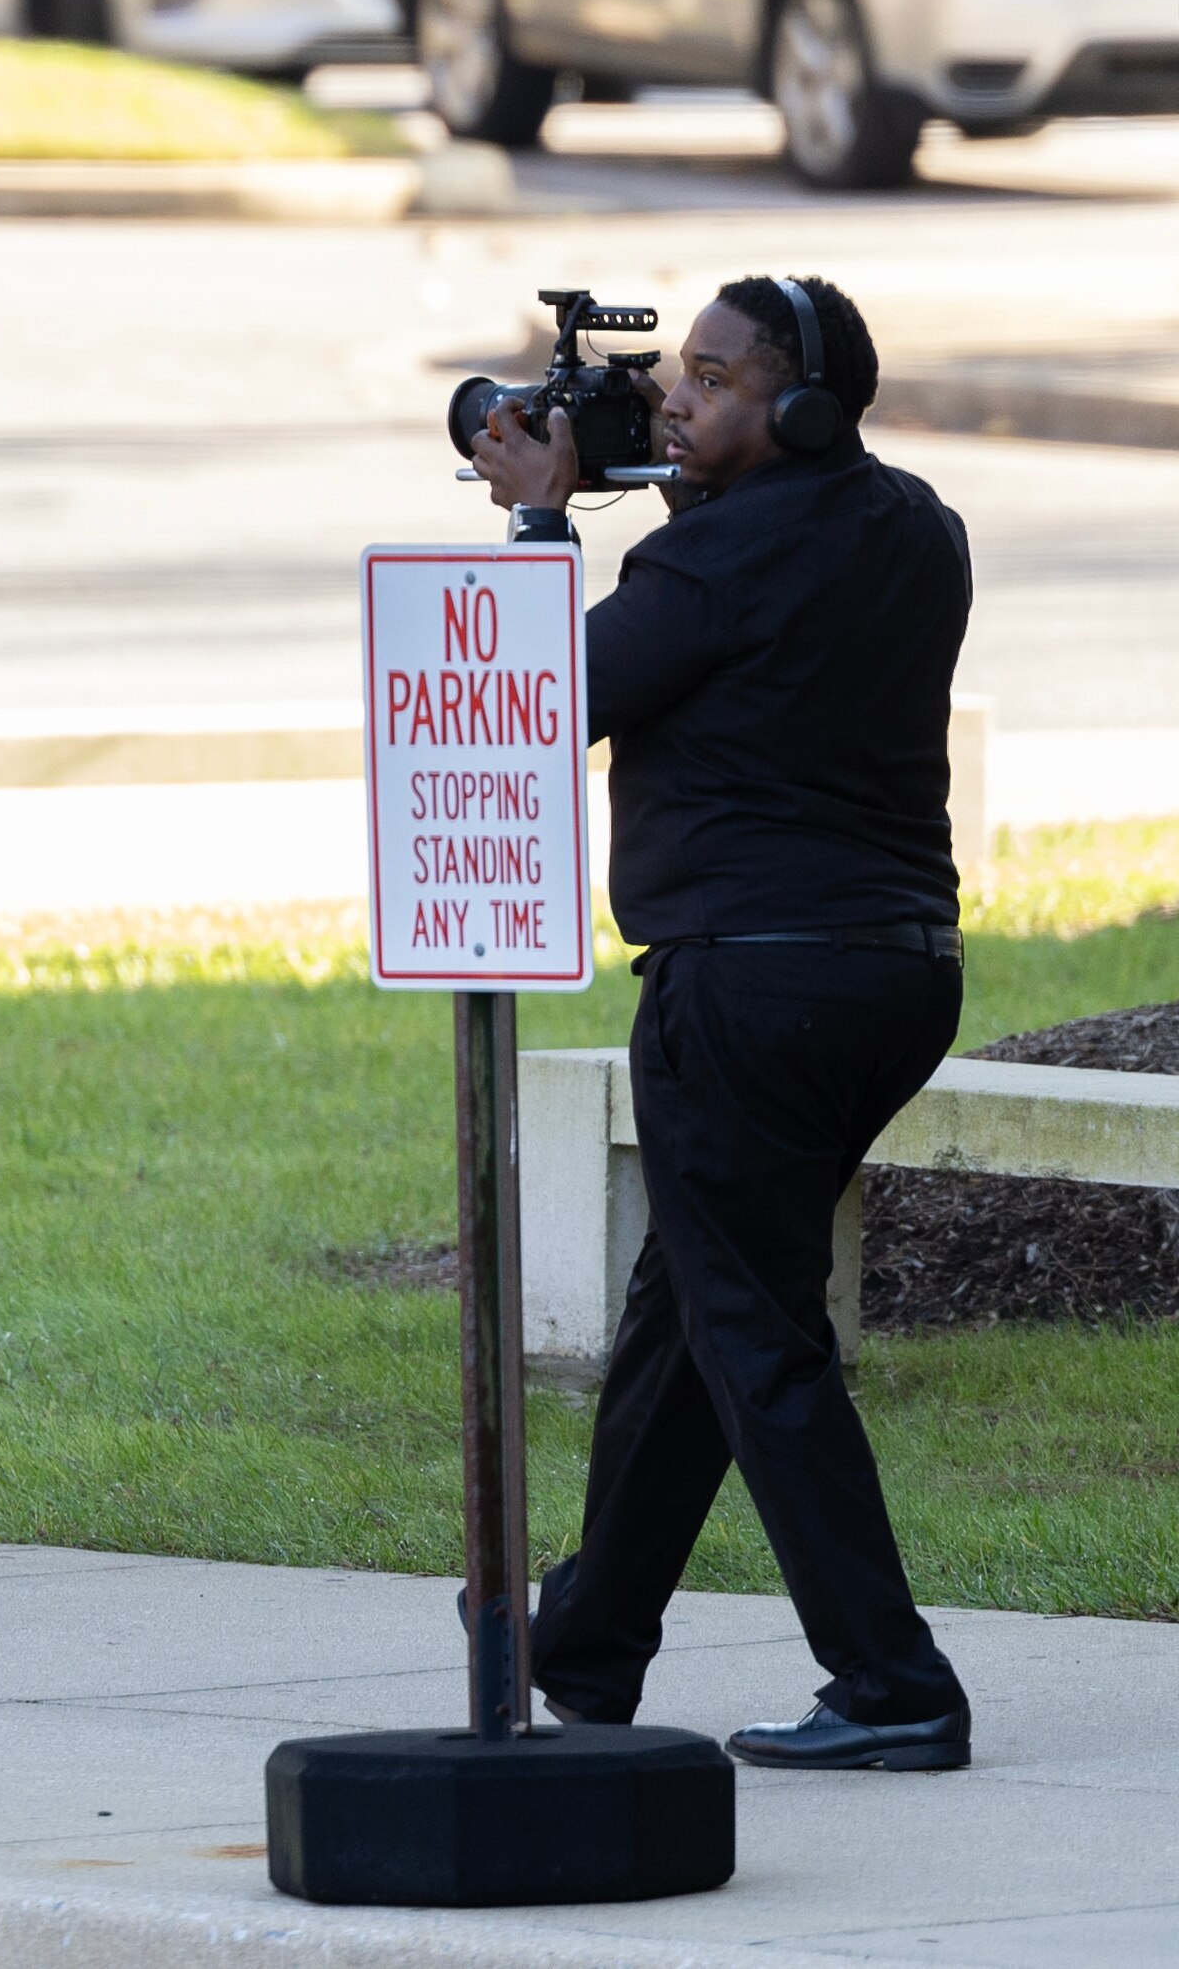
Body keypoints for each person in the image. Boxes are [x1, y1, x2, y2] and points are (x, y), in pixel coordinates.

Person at [474, 275, 974, 1771]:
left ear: (797, 407)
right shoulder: (919, 526)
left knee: (754, 1330)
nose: (677, 403)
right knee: (688, 1313)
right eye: (675, 377)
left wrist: (545, 519)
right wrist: (674, 495)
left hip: (748, 985)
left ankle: (894, 1681)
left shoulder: (716, 564)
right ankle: (589, 1643)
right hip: (897, 975)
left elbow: (534, 699)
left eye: (712, 379)